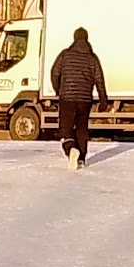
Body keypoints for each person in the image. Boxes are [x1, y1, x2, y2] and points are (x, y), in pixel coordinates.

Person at [50, 27, 108, 170]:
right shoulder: (92, 58)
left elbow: (54, 73)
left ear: (74, 38)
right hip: (85, 99)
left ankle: (71, 149)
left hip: (67, 98)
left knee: (66, 129)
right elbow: (99, 80)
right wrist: (103, 99)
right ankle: (81, 158)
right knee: (82, 129)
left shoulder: (65, 55)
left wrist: (58, 89)